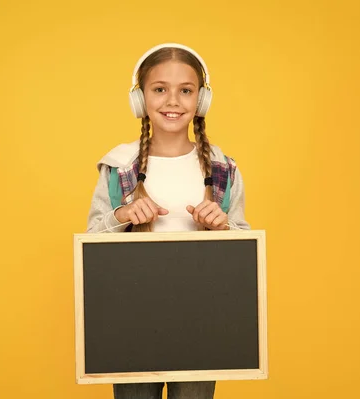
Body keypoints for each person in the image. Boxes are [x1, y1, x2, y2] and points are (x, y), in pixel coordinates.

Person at [86, 43, 250, 399]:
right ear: (140, 99)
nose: (172, 101)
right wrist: (122, 216)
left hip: (201, 322)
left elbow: (245, 249)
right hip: (130, 321)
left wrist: (223, 227)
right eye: (160, 89)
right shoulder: (118, 168)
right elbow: (91, 238)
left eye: (185, 91)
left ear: (201, 100)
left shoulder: (223, 169)